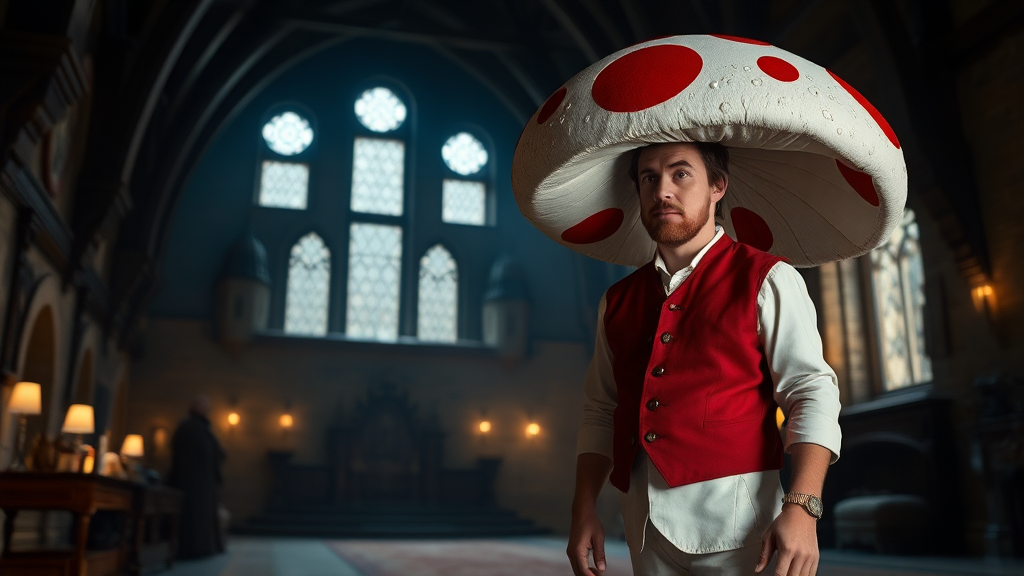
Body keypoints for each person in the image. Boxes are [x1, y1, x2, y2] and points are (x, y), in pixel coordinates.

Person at [567, 141, 841, 576]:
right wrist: (583, 509)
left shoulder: (769, 278)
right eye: (648, 178)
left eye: (680, 174)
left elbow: (811, 393)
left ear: (717, 185)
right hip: (643, 528)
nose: (663, 191)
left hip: (741, 526)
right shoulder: (615, 301)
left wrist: (803, 508)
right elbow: (602, 410)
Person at [168, 394, 226, 559]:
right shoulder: (187, 427)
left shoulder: (206, 428)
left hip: (206, 483)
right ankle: (193, 549)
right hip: (190, 483)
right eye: (203, 406)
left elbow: (217, 453)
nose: (207, 409)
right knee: (192, 516)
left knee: (205, 517)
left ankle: (205, 547)